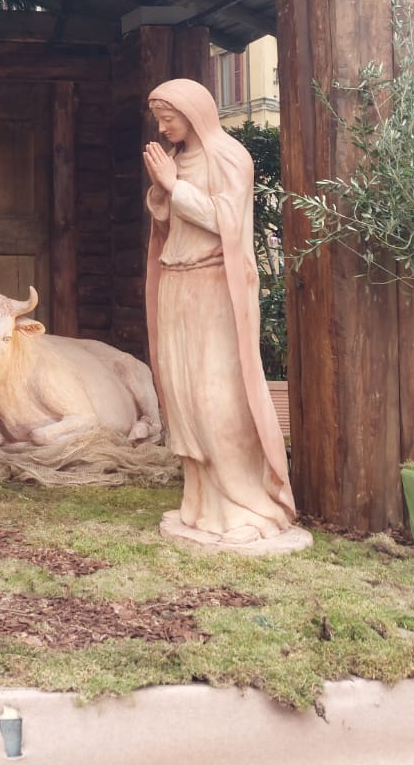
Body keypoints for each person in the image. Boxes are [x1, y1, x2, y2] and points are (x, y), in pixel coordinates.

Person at [143, 79, 305, 552]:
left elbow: (225, 222)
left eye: (168, 118)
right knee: (184, 395)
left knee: (218, 398)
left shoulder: (230, 157)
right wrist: (162, 192)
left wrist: (174, 187)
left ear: (194, 113)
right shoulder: (176, 159)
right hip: (177, 284)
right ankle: (202, 505)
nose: (162, 127)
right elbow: (169, 221)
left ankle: (246, 506)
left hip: (215, 285)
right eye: (159, 119)